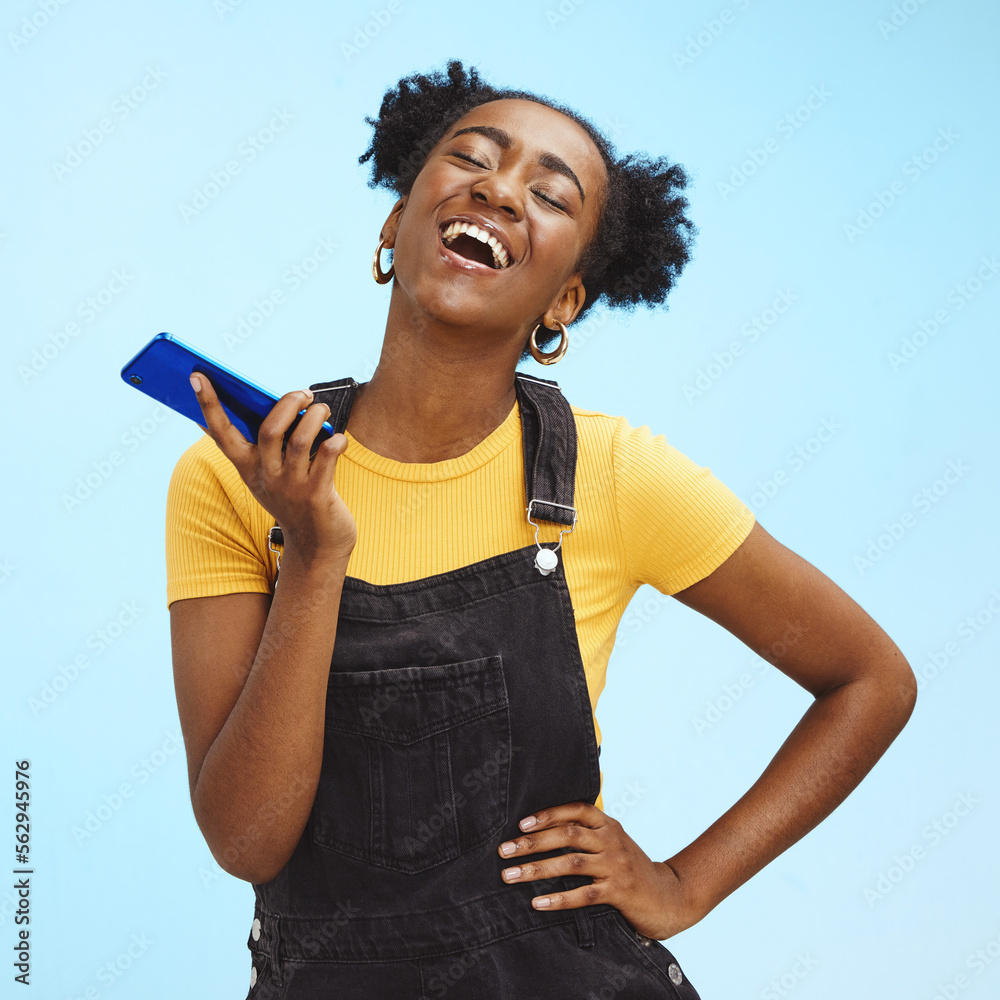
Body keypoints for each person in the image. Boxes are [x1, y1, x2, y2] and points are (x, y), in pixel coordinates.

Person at [165, 60, 917, 998]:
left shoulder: (615, 475)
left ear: (564, 303)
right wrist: (315, 555)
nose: (500, 189)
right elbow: (247, 839)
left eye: (550, 195)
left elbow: (871, 680)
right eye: (472, 158)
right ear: (395, 225)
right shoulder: (239, 475)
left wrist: (685, 883)